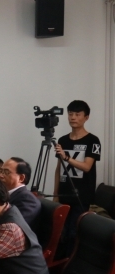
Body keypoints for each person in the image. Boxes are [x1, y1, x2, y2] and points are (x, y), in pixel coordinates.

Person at [54, 100, 101, 257]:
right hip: (64, 194)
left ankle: (71, 263)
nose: (73, 117)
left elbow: (87, 167)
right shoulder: (63, 140)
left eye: (77, 114)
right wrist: (55, 194)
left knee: (74, 232)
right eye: (70, 114)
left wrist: (67, 157)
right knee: (61, 231)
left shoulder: (92, 140)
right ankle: (60, 262)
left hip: (82, 195)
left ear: (86, 117)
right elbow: (59, 168)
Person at [0, 157, 41, 228]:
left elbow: (12, 227)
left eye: (6, 172)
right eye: (1, 171)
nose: (1, 175)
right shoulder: (2, 194)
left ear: (21, 178)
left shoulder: (28, 200)